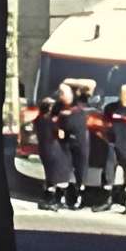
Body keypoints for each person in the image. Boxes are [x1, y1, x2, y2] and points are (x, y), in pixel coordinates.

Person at [103, 82, 126, 215]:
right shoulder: (111, 108)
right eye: (122, 93)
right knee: (109, 172)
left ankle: (124, 202)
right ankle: (108, 200)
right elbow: (104, 123)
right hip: (112, 144)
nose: (125, 95)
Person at [33, 94, 73, 211]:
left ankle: (48, 199)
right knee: (58, 176)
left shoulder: (38, 119)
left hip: (44, 149)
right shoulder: (51, 121)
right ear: (50, 108)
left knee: (50, 175)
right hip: (54, 149)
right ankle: (53, 200)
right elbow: (61, 135)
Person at [57, 80, 91, 209]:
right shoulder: (58, 106)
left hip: (80, 142)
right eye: (60, 93)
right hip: (65, 142)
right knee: (63, 169)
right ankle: (61, 198)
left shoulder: (80, 103)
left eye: (63, 93)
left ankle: (80, 198)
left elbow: (91, 85)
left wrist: (68, 82)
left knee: (80, 171)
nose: (61, 96)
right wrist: (57, 128)